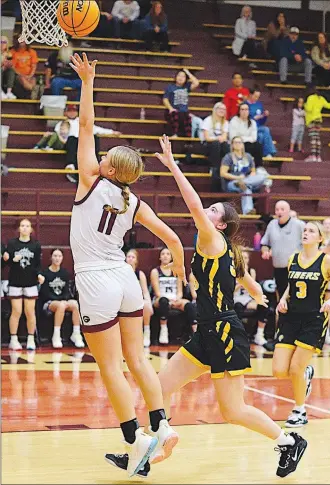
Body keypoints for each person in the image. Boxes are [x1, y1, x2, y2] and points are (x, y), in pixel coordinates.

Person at [107, 135, 308, 479]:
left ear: (220, 225)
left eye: (214, 212)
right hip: (208, 330)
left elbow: (195, 206)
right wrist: (261, 302)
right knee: (160, 387)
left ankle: (289, 441)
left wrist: (172, 166)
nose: (206, 213)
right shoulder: (225, 250)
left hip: (226, 332)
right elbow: (251, 283)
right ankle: (146, 451)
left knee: (233, 411)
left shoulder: (213, 239)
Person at [69, 53, 183, 477]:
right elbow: (171, 238)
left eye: (106, 155)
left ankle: (135, 440)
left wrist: (87, 81)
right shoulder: (134, 200)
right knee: (139, 358)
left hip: (97, 280)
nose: (98, 155)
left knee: (110, 366)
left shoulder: (90, 180)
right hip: (125, 278)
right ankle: (163, 423)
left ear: (111, 167)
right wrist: (184, 271)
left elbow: (83, 127)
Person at [273, 222, 330, 427]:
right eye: (304, 230)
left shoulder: (327, 261)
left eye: (311, 231)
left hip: (313, 319)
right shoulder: (292, 259)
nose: (306, 233)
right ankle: (306, 374)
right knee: (279, 370)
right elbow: (291, 285)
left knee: (295, 367)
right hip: (290, 318)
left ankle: (299, 411)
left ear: (320, 238)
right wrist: (283, 299)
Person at [3, 219, 44, 351]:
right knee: (16, 311)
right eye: (22, 226)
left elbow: (38, 264)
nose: (25, 228)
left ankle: (31, 339)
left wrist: (39, 274)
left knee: (30, 312)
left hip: (31, 282)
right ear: (19, 229)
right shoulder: (12, 244)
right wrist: (11, 260)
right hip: (15, 281)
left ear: (31, 229)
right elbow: (6, 264)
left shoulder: (36, 245)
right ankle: (13, 340)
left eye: (27, 226)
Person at [54, 104, 121, 183]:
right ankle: (70, 166)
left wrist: (112, 132)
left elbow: (96, 129)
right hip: (68, 143)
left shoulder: (82, 121)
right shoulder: (61, 123)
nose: (72, 113)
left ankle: (95, 163)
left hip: (82, 143)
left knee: (94, 137)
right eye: (69, 111)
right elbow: (57, 136)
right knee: (72, 139)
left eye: (74, 111)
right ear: (65, 113)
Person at [150, 247, 197, 345]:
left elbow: (180, 291)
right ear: (160, 257)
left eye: (168, 254)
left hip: (175, 299)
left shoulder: (176, 271)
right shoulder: (155, 271)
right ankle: (164, 330)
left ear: (171, 257)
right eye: (163, 254)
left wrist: (177, 299)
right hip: (160, 299)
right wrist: (168, 300)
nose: (165, 256)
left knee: (189, 305)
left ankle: (196, 334)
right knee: (163, 301)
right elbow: (157, 292)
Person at [40, 248, 85, 349]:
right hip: (49, 303)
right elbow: (45, 293)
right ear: (51, 258)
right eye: (55, 256)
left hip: (62, 301)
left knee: (75, 304)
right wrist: (60, 300)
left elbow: (66, 291)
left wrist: (65, 299)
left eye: (59, 256)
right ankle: (56, 336)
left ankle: (76, 334)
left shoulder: (64, 273)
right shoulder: (45, 273)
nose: (57, 258)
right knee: (61, 306)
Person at [261, 200, 305, 301]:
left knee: (294, 295)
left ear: (288, 211)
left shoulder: (299, 225)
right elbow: (265, 243)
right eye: (277, 209)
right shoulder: (272, 224)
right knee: (281, 295)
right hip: (279, 267)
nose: (279, 212)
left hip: (296, 267)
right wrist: (265, 251)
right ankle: (282, 316)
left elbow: (309, 242)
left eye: (282, 209)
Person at [220, 136, 267, 214]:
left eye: (239, 142)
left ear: (243, 144)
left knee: (262, 177)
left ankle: (248, 210)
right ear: (232, 145)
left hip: (246, 181)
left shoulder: (248, 156)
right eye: (235, 142)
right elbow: (223, 173)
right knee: (246, 189)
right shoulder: (228, 157)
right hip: (232, 182)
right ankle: (248, 210)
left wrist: (247, 180)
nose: (238, 144)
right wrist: (237, 178)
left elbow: (253, 172)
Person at [234, 250, 270, 345]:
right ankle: (237, 336)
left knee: (263, 304)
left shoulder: (251, 271)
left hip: (248, 299)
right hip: (235, 298)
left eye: (246, 258)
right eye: (242, 257)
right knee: (238, 306)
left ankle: (259, 335)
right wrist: (240, 284)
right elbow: (230, 290)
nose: (244, 260)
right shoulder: (232, 270)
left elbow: (252, 288)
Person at [125, 249, 153, 347]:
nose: (130, 259)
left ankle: (146, 332)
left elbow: (145, 291)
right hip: (125, 300)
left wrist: (149, 304)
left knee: (146, 306)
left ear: (136, 260)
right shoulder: (121, 273)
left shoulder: (139, 274)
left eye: (133, 257)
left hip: (138, 300)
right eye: (128, 257)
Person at [304, 87, 330, 163]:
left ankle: (313, 155)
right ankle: (318, 156)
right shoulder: (321, 99)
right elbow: (329, 105)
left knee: (313, 138)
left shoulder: (310, 98)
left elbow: (309, 109)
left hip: (312, 120)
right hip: (318, 120)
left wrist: (305, 105)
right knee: (317, 138)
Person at [200, 102, 230, 190]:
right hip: (206, 145)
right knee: (216, 144)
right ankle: (214, 167)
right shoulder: (208, 120)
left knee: (225, 146)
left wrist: (220, 139)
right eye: (220, 108)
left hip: (219, 145)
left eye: (224, 109)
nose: (222, 111)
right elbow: (207, 138)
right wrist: (218, 138)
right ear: (215, 109)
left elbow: (224, 137)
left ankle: (227, 167)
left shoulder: (225, 123)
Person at [163, 69, 199, 138]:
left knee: (188, 118)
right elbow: (165, 99)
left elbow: (196, 83)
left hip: (184, 112)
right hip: (173, 111)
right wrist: (170, 108)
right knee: (175, 115)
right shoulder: (170, 87)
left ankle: (187, 141)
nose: (180, 78)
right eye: (179, 76)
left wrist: (188, 73)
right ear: (176, 77)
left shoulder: (187, 87)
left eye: (183, 76)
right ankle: (175, 134)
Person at [229, 103, 263, 168]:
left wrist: (242, 138)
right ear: (239, 111)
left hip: (248, 144)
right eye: (242, 109)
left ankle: (259, 168)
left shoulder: (252, 122)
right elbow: (232, 137)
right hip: (236, 145)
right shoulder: (234, 121)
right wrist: (246, 139)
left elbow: (254, 138)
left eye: (246, 110)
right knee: (246, 145)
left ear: (249, 111)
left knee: (258, 145)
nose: (244, 112)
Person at [247, 86, 276, 158]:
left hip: (258, 127)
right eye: (255, 96)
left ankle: (264, 154)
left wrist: (265, 116)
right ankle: (270, 152)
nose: (256, 98)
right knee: (265, 130)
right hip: (249, 127)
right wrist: (253, 118)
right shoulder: (245, 105)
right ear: (250, 95)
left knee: (261, 135)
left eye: (258, 97)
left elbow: (262, 122)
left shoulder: (259, 104)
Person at [1, 35, 16, 100]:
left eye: (4, 42)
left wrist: (8, 65)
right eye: (1, 41)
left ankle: (9, 92)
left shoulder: (9, 54)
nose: (2, 44)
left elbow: (11, 65)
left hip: (4, 74)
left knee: (11, 70)